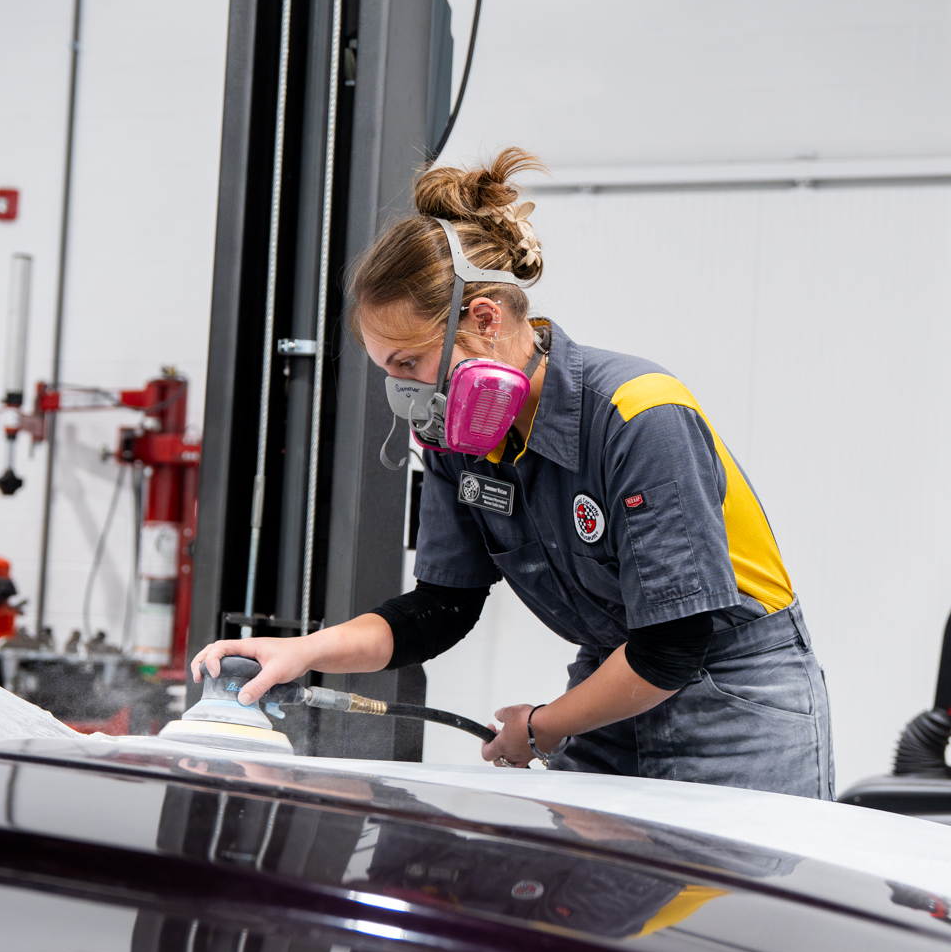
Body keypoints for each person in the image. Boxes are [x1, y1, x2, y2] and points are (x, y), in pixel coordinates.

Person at [192, 148, 833, 798]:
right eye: (389, 371)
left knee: (733, 867)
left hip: (736, 696)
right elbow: (440, 609)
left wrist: (540, 726)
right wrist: (303, 652)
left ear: (485, 320)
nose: (405, 392)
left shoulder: (639, 414)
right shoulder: (458, 437)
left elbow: (672, 644)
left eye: (409, 363)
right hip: (612, 680)